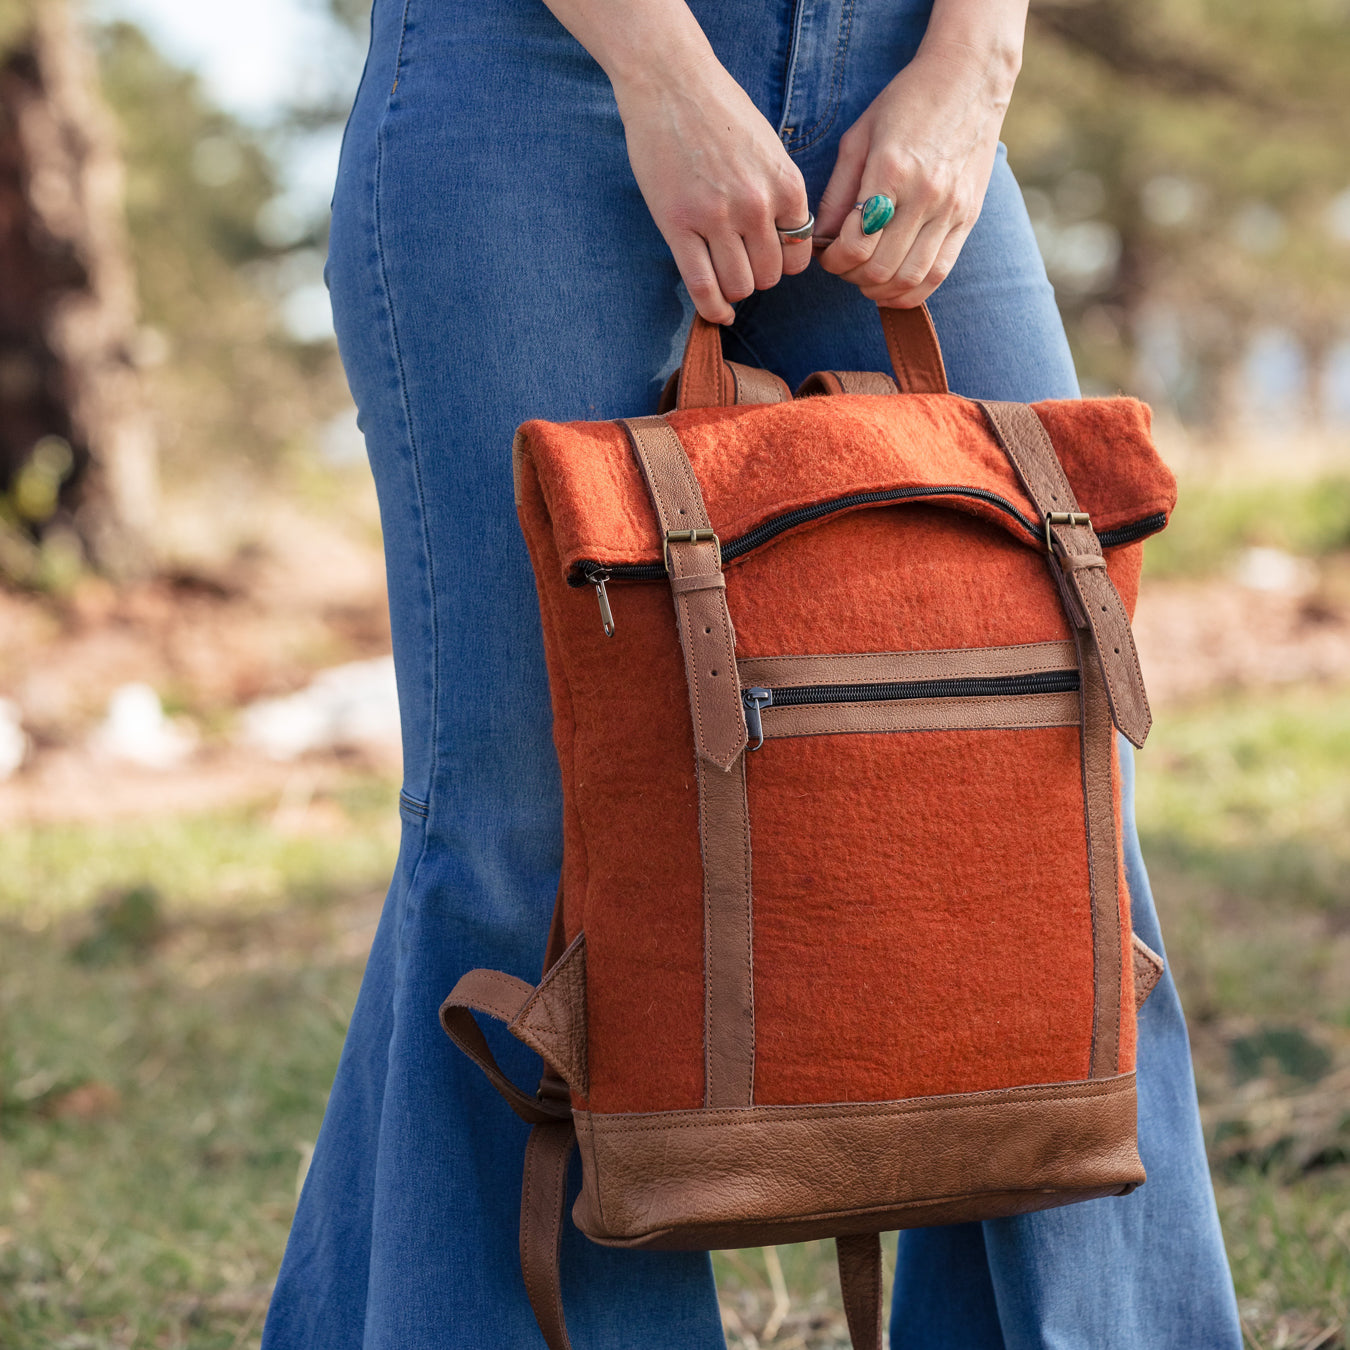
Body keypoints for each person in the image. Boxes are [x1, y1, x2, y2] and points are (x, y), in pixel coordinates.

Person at [262, 0, 1244, 1345]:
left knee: (1042, 792)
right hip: (543, 71)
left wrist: (975, 62)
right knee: (528, 826)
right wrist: (660, 65)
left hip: (901, 65)